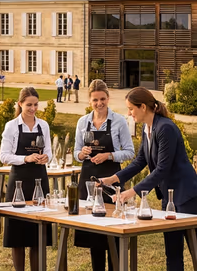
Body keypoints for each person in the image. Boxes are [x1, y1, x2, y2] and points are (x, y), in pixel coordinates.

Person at [100, 87, 197, 271]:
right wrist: (112, 179)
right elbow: (140, 161)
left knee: (195, 250)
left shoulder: (165, 128)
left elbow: (162, 169)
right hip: (169, 198)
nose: (129, 113)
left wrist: (131, 192)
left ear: (143, 107)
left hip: (187, 197)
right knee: (172, 253)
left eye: (131, 109)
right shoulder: (147, 128)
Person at [73, 79, 134, 271]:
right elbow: (76, 153)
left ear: (108, 98)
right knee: (94, 233)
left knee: (114, 231)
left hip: (111, 179)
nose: (99, 103)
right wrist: (82, 154)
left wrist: (109, 155)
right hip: (89, 180)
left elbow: (130, 152)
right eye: (95, 100)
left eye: (102, 99)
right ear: (89, 101)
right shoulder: (82, 122)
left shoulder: (119, 121)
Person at [0, 87, 53, 271]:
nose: (33, 108)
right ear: (20, 104)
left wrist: (46, 158)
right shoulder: (11, 126)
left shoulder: (43, 126)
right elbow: (4, 156)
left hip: (40, 179)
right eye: (29, 105)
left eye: (35, 105)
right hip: (19, 182)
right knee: (18, 234)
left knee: (38, 234)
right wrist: (26, 158)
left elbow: (49, 152)